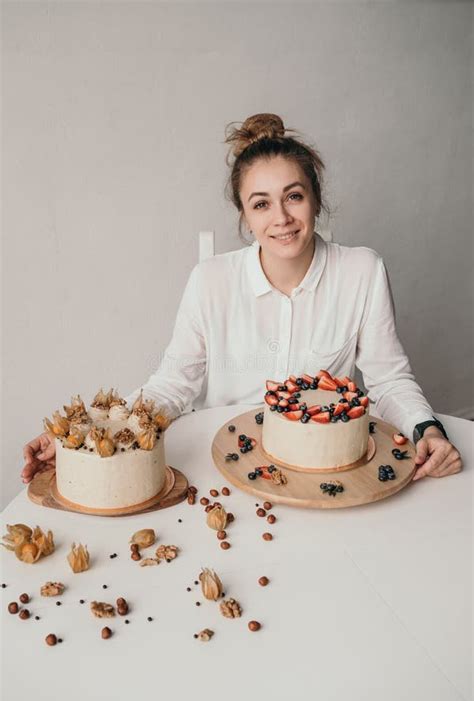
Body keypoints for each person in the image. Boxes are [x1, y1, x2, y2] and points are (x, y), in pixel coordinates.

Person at [21, 113, 462, 485]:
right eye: (261, 204)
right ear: (244, 215)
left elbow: (388, 380)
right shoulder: (210, 280)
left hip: (324, 471)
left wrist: (428, 429)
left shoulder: (362, 271)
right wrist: (81, 439)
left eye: (293, 196)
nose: (282, 219)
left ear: (315, 200)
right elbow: (172, 385)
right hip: (224, 466)